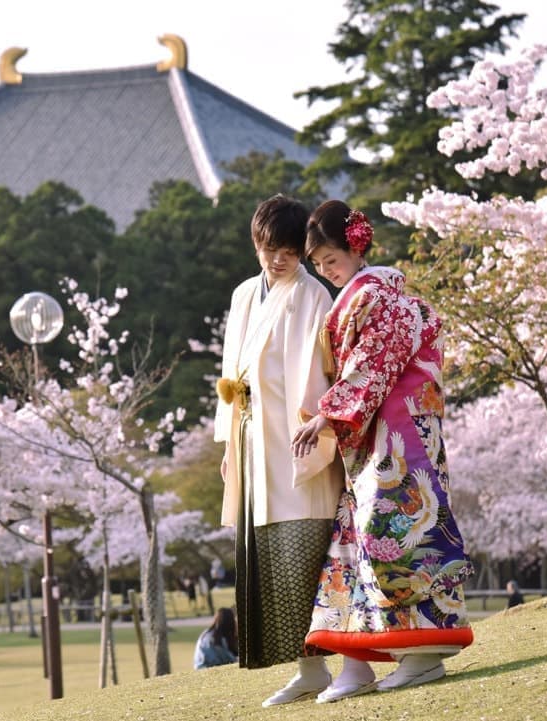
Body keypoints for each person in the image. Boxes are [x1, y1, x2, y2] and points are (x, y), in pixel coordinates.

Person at [292, 200, 474, 702]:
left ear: (356, 247)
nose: (327, 272)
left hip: (401, 436)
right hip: (380, 435)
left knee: (396, 532)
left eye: (332, 260)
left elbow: (373, 364)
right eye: (320, 265)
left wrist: (330, 413)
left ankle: (424, 651)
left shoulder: (384, 300)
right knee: (370, 538)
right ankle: (382, 656)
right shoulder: (361, 299)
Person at [213, 194, 344, 706]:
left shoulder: (312, 295)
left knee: (307, 553)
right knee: (268, 558)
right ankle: (306, 668)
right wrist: (228, 441)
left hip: (294, 440)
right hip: (253, 443)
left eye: (289, 250)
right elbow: (231, 372)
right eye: (270, 248)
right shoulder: (246, 294)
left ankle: (334, 662)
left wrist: (316, 426)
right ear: (257, 246)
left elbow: (317, 370)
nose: (279, 259)